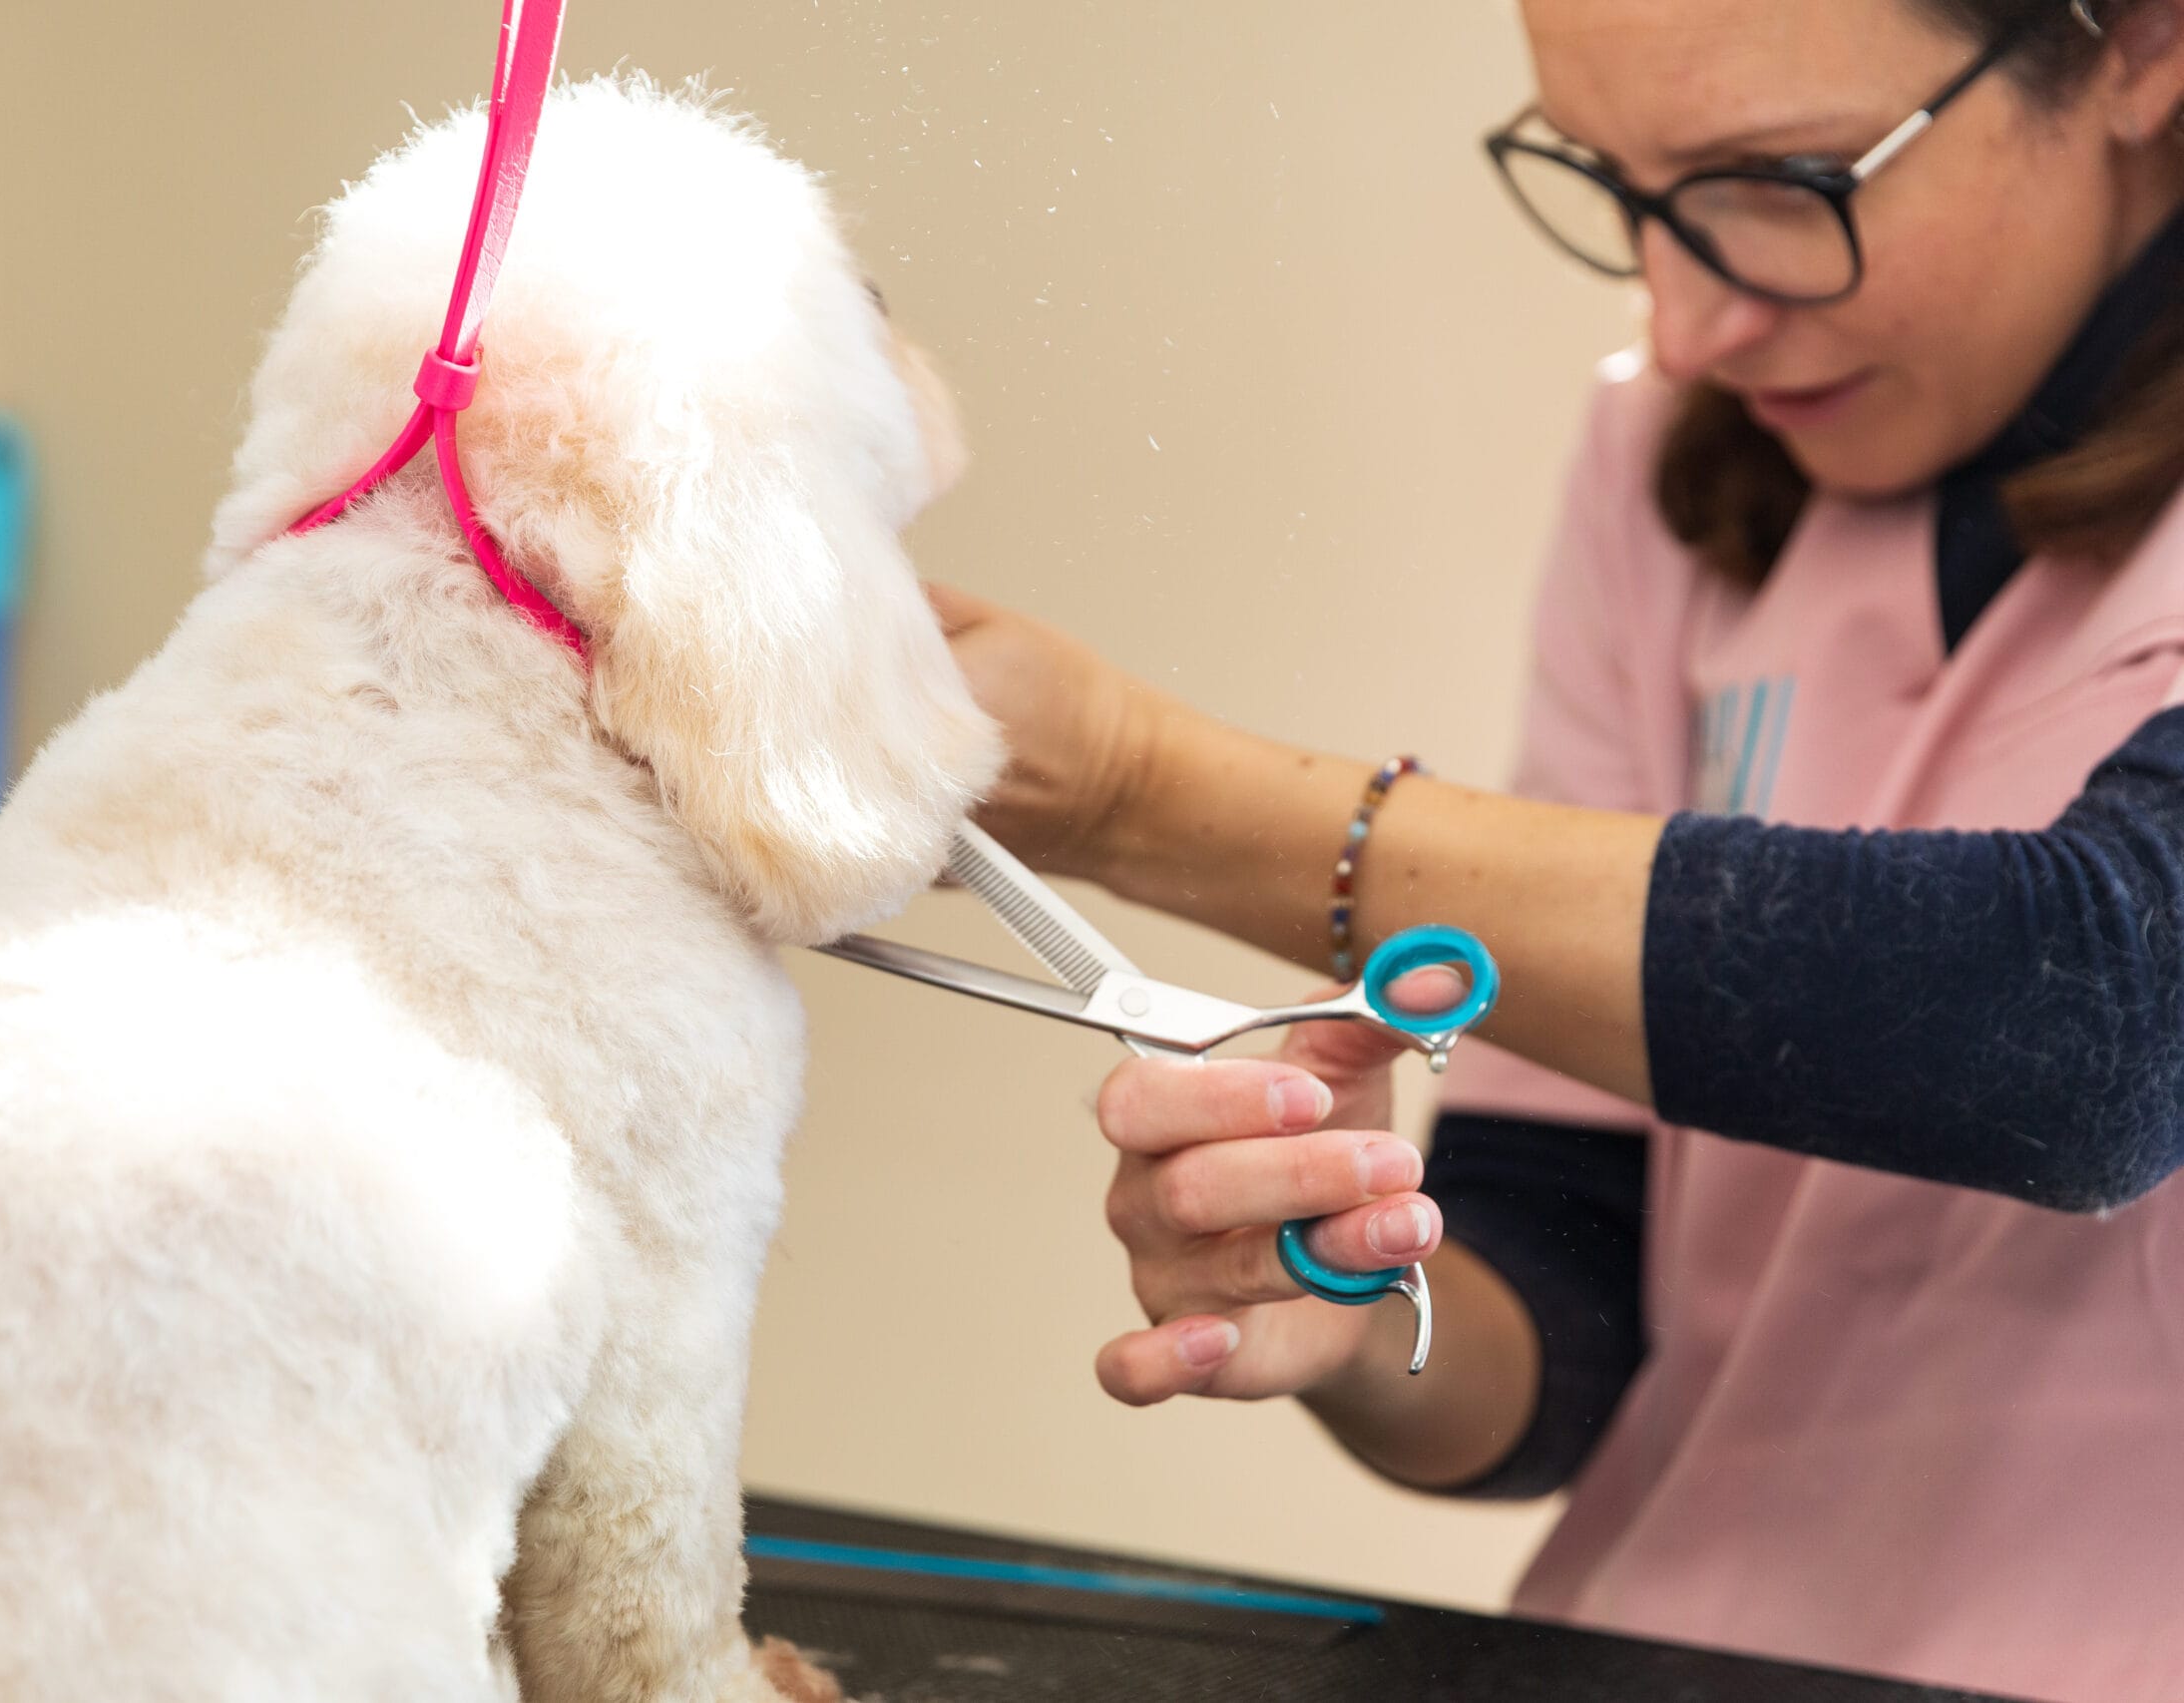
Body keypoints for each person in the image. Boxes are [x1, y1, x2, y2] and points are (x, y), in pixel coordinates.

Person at [934, 2, 2184, 1697]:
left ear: (2139, 43)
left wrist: (1130, 791)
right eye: (1615, 183)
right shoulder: (1672, 456)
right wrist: (1355, 1299)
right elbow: (1575, 1311)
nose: (1685, 321)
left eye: (1784, 182)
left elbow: (2093, 1021)